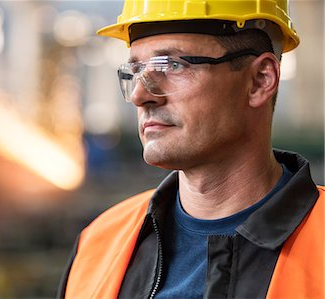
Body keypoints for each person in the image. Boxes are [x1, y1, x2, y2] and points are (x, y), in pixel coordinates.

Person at [58, 0, 324, 298]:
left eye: (172, 65)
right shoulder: (98, 245)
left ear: (260, 80)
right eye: (135, 70)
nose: (140, 95)